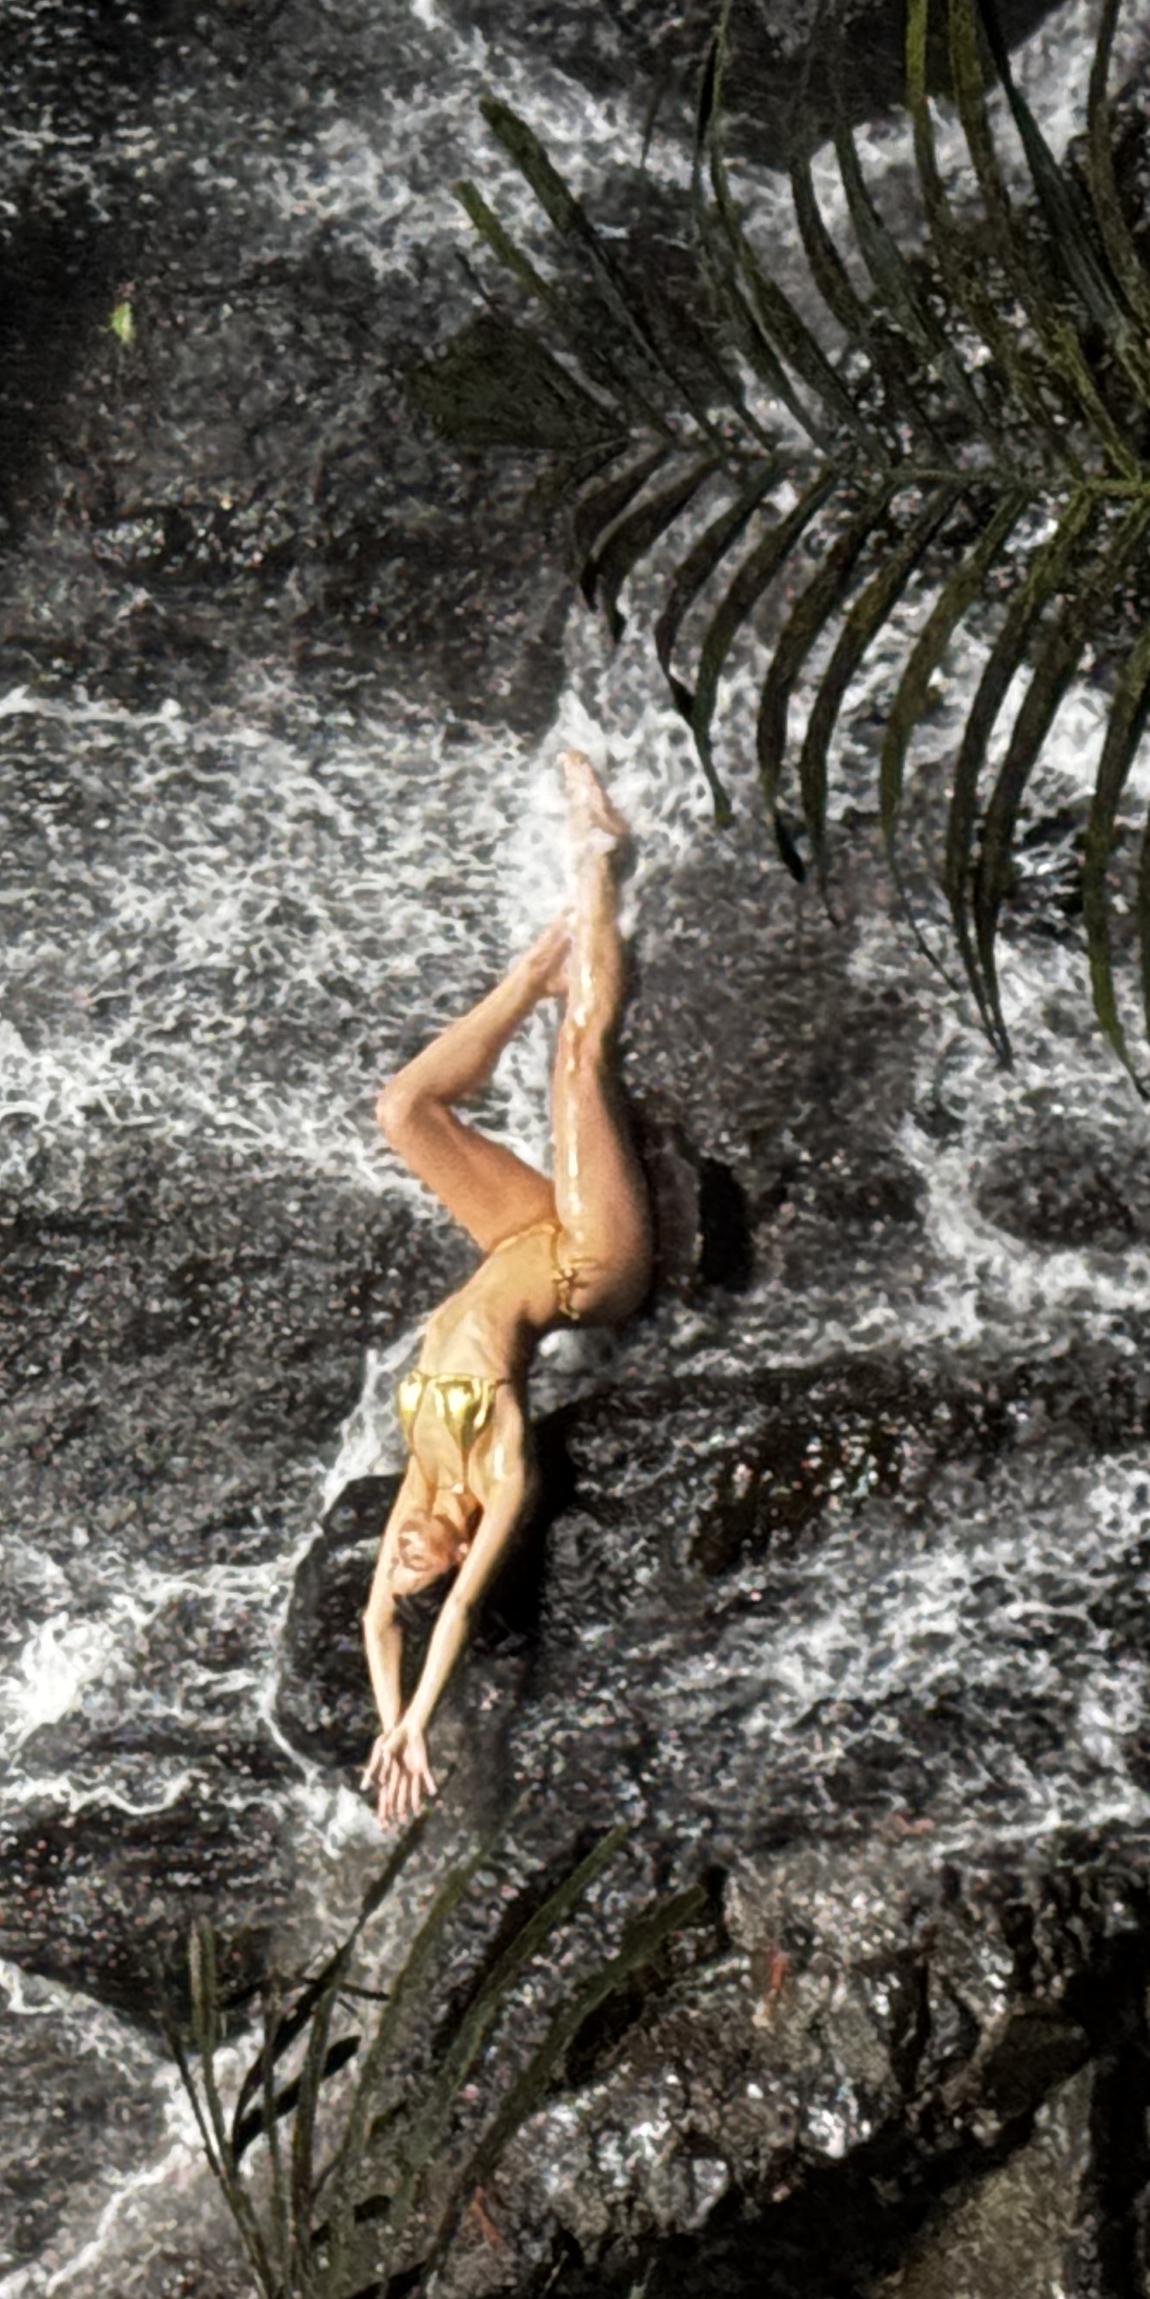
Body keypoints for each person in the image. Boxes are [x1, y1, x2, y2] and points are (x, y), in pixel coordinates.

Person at [358, 750, 652, 1827]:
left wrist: (381, 1710)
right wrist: (421, 1722)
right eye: (417, 1564)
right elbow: (450, 1615)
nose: (402, 1558)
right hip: (584, 1261)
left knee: (403, 1110)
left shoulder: (419, 1483)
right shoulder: (495, 1468)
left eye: (394, 1564)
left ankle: (530, 976)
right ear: (457, 1548)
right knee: (579, 1060)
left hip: (514, 1235)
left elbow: (379, 1624)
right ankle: (600, 856)